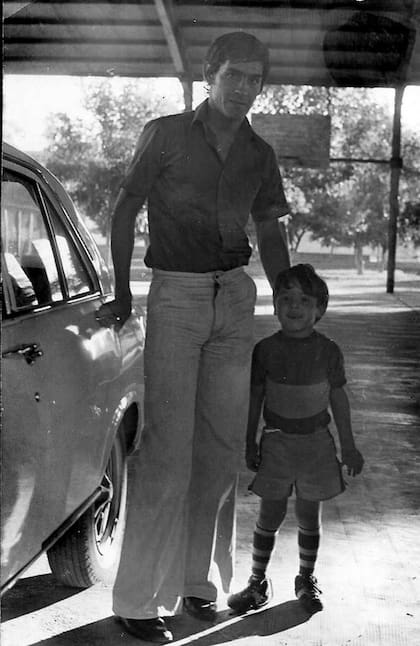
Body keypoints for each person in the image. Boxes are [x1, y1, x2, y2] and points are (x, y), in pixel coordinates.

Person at [97, 32, 290, 643]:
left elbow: (272, 231)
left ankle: (197, 585)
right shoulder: (166, 133)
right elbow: (125, 208)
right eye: (235, 75)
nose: (244, 88)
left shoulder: (260, 152)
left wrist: (287, 305)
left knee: (219, 447)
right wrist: (125, 289)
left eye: (256, 79)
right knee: (165, 448)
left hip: (235, 295)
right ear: (210, 74)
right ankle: (136, 600)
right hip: (176, 294)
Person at [227, 264, 364, 616]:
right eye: (285, 298)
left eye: (304, 299)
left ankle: (306, 578)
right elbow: (255, 399)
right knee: (269, 512)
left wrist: (348, 446)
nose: (294, 306)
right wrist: (249, 442)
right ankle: (257, 582)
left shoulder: (329, 351)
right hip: (277, 443)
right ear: (274, 306)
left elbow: (339, 400)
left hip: (316, 445)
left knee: (308, 513)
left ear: (319, 308)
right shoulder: (265, 350)